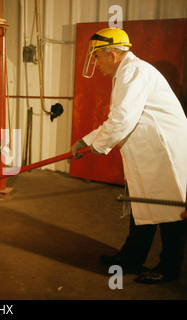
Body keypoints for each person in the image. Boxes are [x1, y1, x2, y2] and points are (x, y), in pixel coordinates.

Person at [72, 28, 187, 284]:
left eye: (97, 57)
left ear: (112, 54)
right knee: (141, 206)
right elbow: (120, 117)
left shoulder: (134, 72)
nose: (96, 63)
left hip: (163, 153)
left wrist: (95, 146)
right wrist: (87, 140)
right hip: (148, 152)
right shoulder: (127, 72)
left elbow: (122, 119)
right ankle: (132, 257)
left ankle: (168, 270)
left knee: (170, 210)